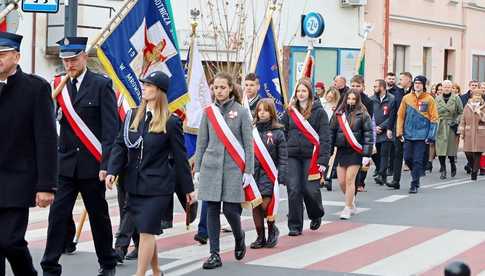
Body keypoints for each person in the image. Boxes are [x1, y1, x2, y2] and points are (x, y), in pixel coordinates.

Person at [41, 37, 118, 276]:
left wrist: (106, 164)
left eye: (74, 59)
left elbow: (110, 130)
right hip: (64, 165)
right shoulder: (58, 85)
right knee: (57, 216)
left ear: (84, 57)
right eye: (65, 60)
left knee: (98, 217)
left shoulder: (101, 85)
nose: (69, 65)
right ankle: (50, 265)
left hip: (92, 165)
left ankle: (107, 263)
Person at [106, 71, 195, 276]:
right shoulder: (133, 116)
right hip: (134, 185)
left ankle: (139, 274)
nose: (144, 88)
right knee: (147, 231)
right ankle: (155, 271)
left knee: (146, 231)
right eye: (144, 85)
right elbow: (120, 144)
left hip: (158, 187)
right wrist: (112, 170)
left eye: (148, 85)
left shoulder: (171, 122)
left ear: (160, 91)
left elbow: (180, 159)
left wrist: (188, 189)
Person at [0, 31, 57, 276]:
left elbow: (46, 139)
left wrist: (46, 186)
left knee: (10, 242)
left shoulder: (36, 88)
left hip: (17, 182)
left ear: (17, 56)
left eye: (2, 54)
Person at [194, 72, 253, 269]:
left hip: (233, 168)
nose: (218, 91)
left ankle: (239, 235)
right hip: (210, 166)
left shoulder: (241, 112)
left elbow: (248, 144)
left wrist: (248, 170)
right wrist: (198, 168)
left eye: (222, 87)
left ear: (230, 88)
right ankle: (214, 253)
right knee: (211, 208)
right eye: (215, 87)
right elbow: (202, 142)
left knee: (229, 209)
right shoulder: (208, 112)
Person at [281, 78, 330, 236]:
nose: (300, 94)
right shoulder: (290, 111)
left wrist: (323, 160)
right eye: (298, 91)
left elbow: (325, 138)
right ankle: (295, 225)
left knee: (310, 190)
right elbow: (282, 130)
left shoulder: (319, 112)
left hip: (312, 155)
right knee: (294, 189)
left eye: (304, 91)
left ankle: (316, 214)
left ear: (309, 92)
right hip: (292, 155)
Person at [330, 90, 373, 219]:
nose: (351, 101)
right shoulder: (338, 114)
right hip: (342, 151)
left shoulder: (363, 114)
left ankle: (347, 207)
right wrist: (329, 151)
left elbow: (368, 135)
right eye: (349, 99)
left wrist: (367, 154)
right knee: (342, 182)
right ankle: (351, 199)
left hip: (355, 151)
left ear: (357, 100)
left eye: (353, 99)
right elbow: (331, 132)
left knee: (350, 180)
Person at [250, 99, 287, 249]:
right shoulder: (252, 131)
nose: (262, 113)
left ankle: (272, 228)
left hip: (269, 174)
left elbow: (283, 156)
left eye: (265, 110)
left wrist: (282, 174)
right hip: (253, 174)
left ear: (271, 112)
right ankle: (260, 236)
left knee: (265, 205)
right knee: (256, 206)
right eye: (259, 110)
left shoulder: (278, 132)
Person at [396, 75, 438, 194]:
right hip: (408, 134)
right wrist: (399, 132)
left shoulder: (429, 99)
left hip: (422, 135)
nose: (417, 85)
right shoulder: (406, 98)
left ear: (424, 85)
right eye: (415, 83)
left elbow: (434, 119)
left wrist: (431, 136)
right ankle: (417, 172)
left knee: (417, 160)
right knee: (408, 158)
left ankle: (414, 183)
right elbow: (400, 116)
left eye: (420, 83)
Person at [349, 75, 374, 193]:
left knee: (364, 159)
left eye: (358, 86)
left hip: (363, 134)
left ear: (363, 87)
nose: (355, 88)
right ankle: (352, 182)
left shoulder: (368, 101)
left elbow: (369, 120)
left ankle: (361, 181)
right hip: (349, 134)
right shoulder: (346, 98)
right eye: (353, 85)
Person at [435, 80, 463, 179]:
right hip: (441, 125)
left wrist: (457, 121)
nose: (446, 88)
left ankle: (452, 164)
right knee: (440, 149)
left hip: (452, 125)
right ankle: (443, 169)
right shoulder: (437, 99)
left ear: (451, 88)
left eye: (448, 87)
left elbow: (461, 112)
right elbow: (433, 113)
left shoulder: (456, 98)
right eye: (445, 86)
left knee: (451, 149)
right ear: (442, 88)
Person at [371, 79, 396, 186]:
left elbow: (392, 115)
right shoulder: (371, 99)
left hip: (386, 131)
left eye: (376, 86)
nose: (374, 88)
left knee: (384, 154)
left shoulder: (392, 99)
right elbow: (369, 114)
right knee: (375, 154)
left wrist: (381, 126)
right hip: (374, 131)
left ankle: (381, 174)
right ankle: (380, 170)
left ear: (382, 87)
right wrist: (373, 127)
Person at [386, 72, 407, 189]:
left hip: (411, 129)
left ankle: (416, 177)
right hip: (398, 127)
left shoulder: (414, 92)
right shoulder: (398, 93)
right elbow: (393, 111)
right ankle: (396, 180)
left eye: (401, 79)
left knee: (409, 156)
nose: (399, 81)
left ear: (408, 80)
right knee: (397, 154)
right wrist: (389, 128)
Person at [459, 89, 485, 180]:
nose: (477, 97)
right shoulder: (467, 106)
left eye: (479, 96)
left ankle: (474, 172)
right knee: (468, 152)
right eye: (475, 95)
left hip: (480, 133)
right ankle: (473, 165)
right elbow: (463, 120)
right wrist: (462, 132)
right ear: (472, 96)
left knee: (477, 153)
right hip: (469, 133)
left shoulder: (483, 106)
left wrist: (480, 113)